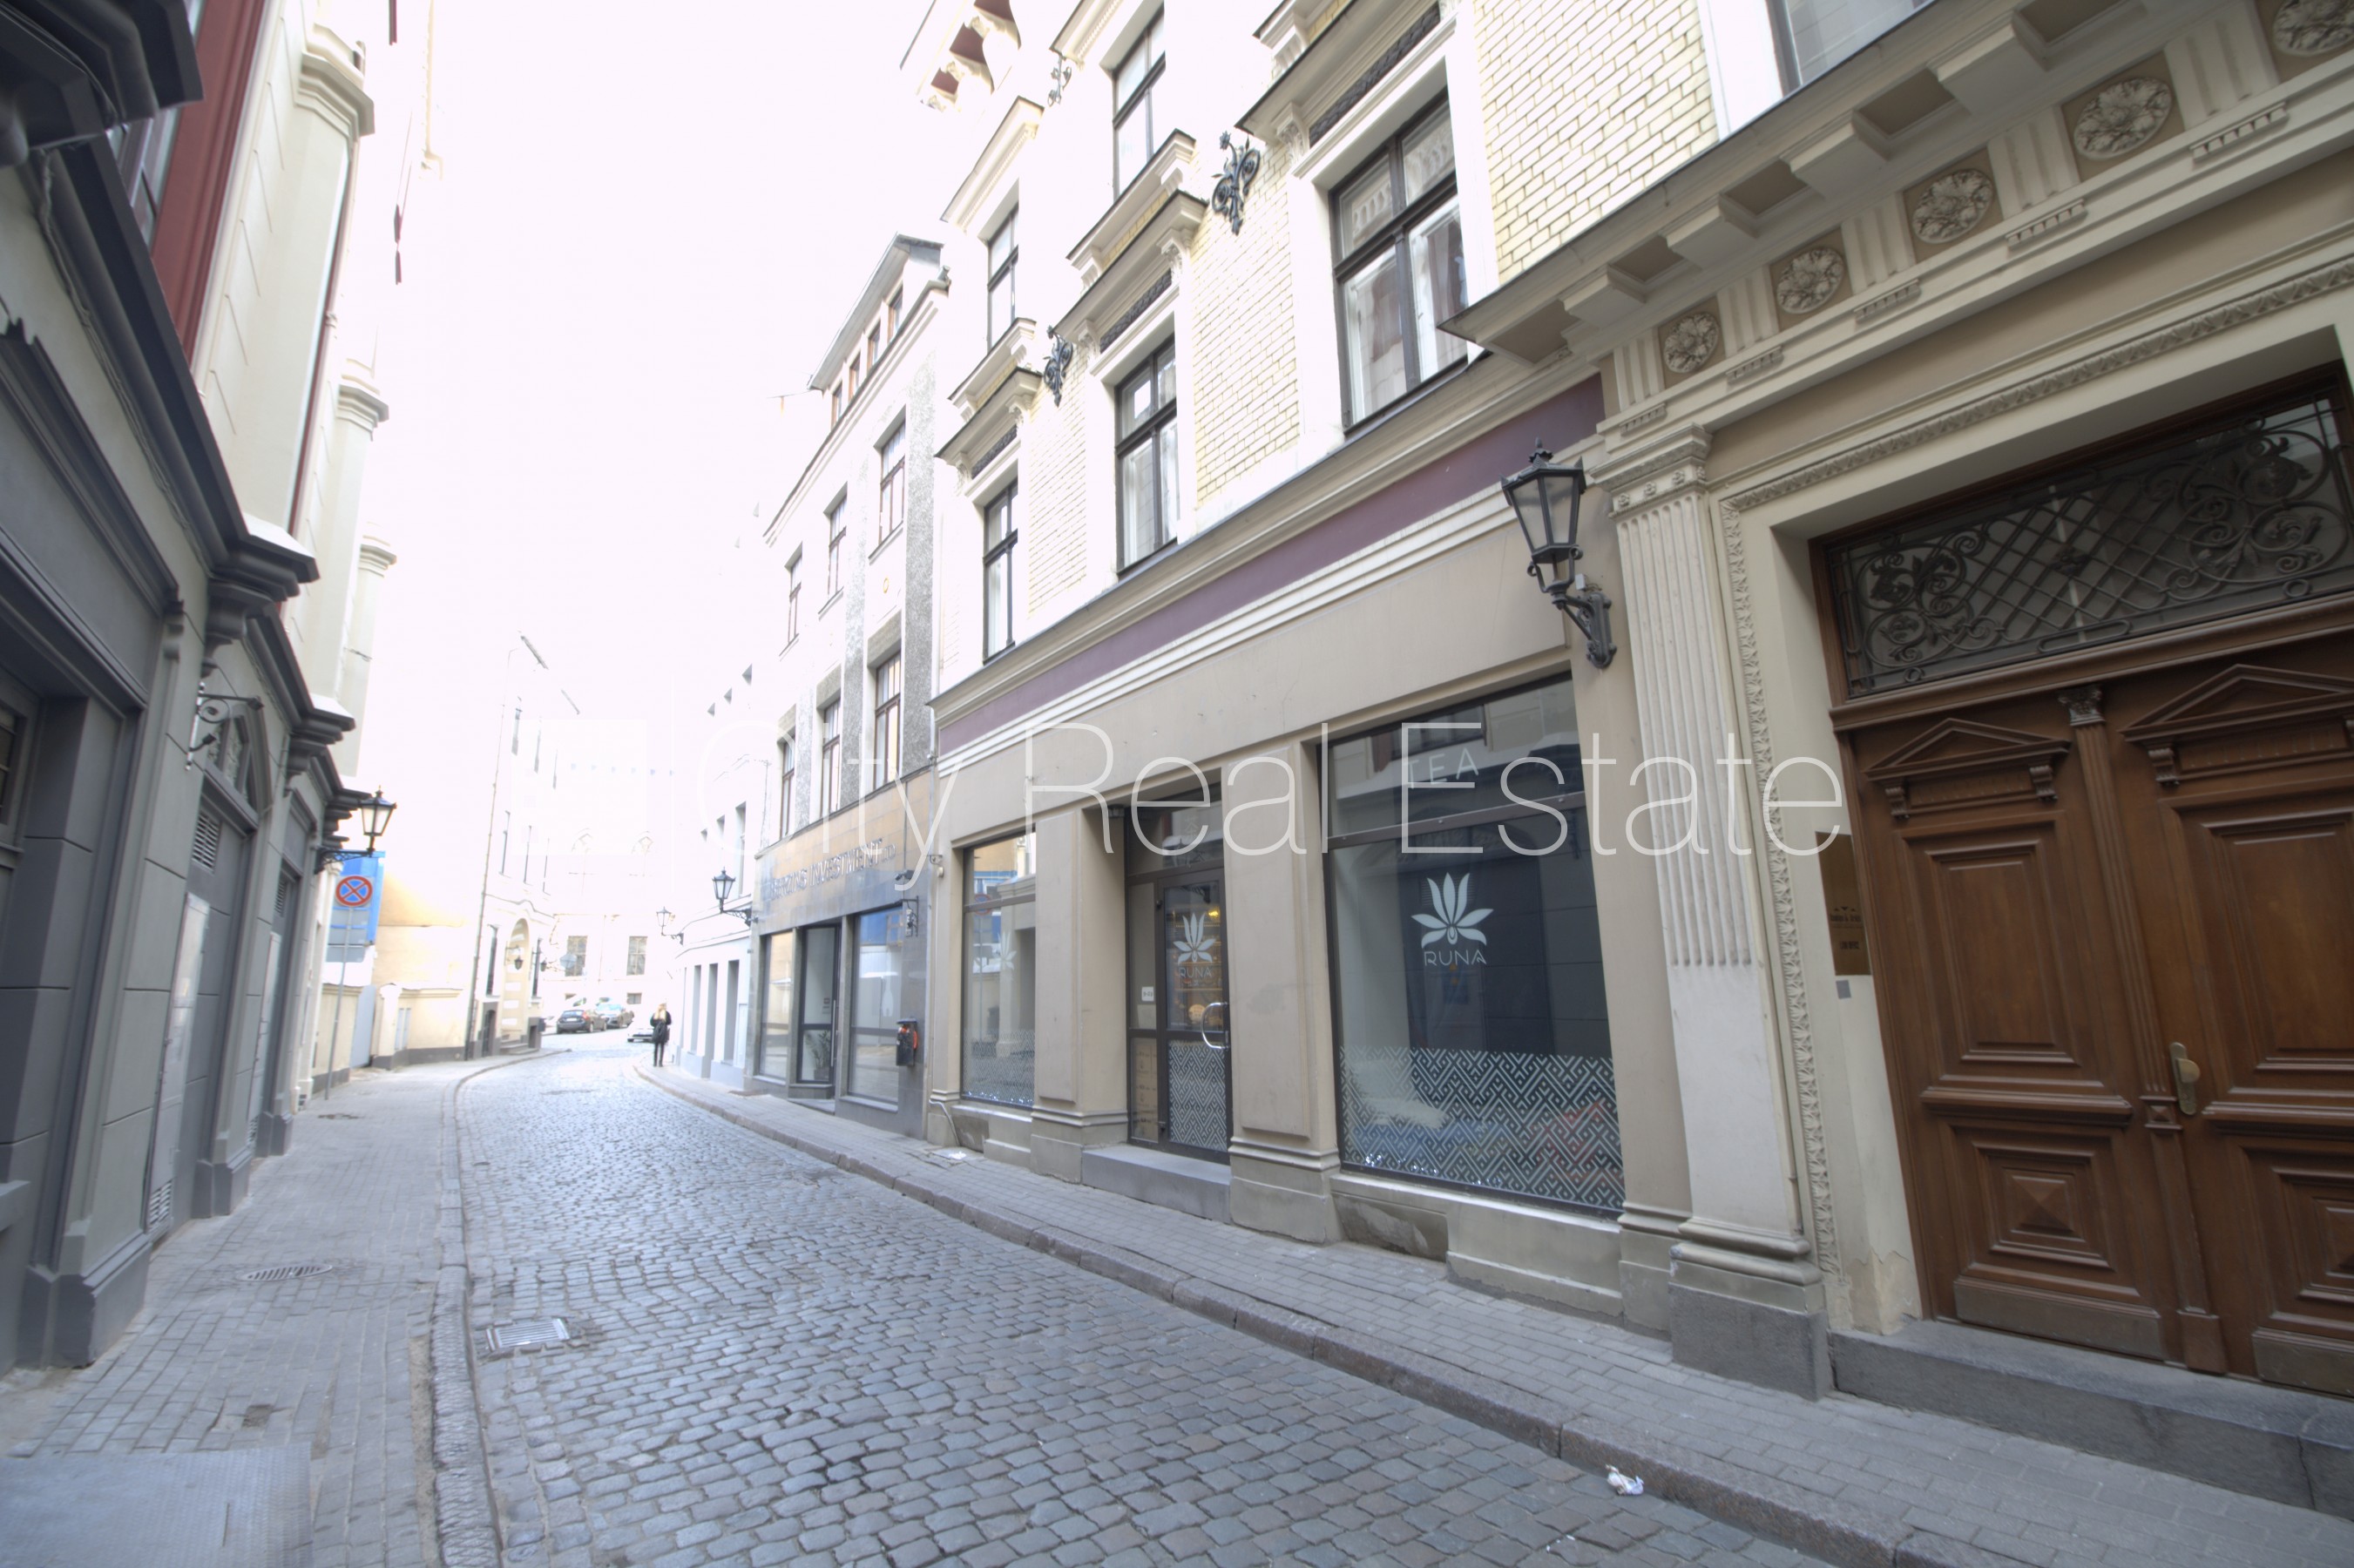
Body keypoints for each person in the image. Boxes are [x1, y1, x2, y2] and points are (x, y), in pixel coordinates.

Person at [650, 1003, 672, 1068]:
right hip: (663, 1032)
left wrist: (657, 1025)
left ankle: (655, 1062)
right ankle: (660, 1063)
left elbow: (651, 1022)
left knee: (656, 1048)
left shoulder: (656, 1014)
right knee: (662, 1048)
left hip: (656, 1032)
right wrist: (664, 1023)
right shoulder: (666, 1014)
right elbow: (669, 1022)